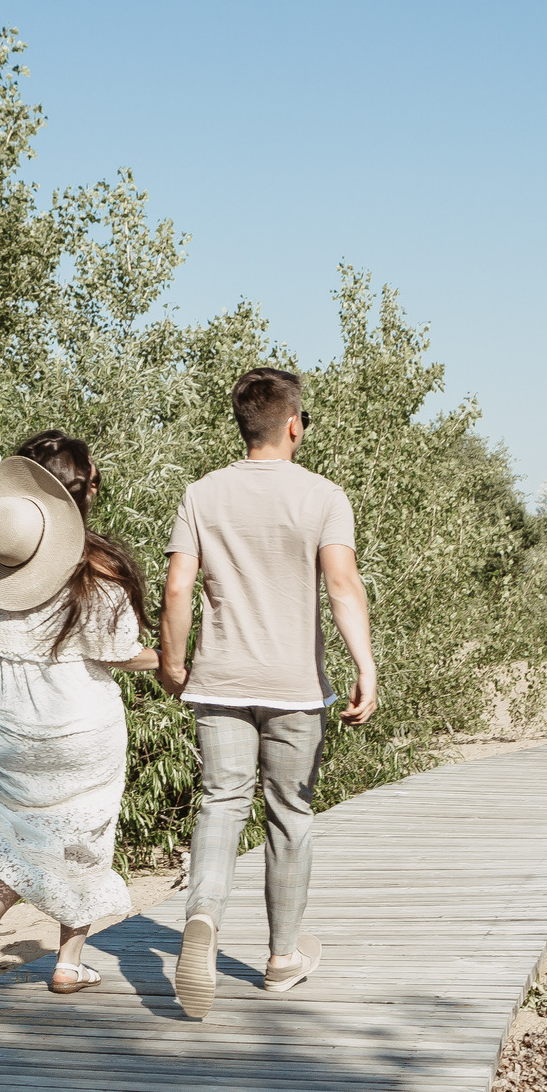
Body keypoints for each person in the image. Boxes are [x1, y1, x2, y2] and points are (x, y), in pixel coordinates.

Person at [157, 367, 377, 1021]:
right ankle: (282, 958)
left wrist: (174, 663)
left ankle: (202, 915)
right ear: (292, 424)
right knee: (289, 812)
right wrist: (365, 664)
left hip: (220, 680)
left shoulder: (201, 495)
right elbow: (342, 585)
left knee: (221, 802)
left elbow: (176, 590)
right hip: (294, 687)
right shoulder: (324, 497)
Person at [0, 431, 159, 1000]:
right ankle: (68, 963)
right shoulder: (98, 570)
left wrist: (21, 655)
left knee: (14, 830)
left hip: (13, 719)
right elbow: (117, 653)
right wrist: (167, 660)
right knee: (82, 836)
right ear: (82, 496)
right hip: (82, 720)